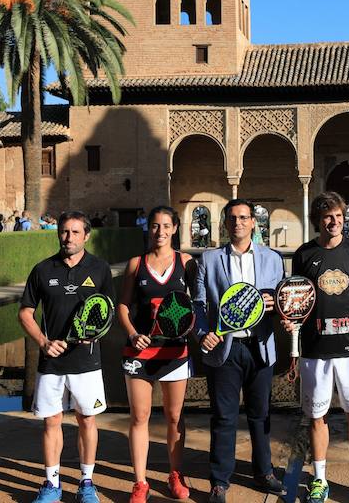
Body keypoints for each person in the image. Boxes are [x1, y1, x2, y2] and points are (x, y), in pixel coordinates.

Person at [287, 191, 349, 503]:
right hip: (315, 351)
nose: (335, 221)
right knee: (317, 418)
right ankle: (319, 479)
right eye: (329, 216)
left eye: (340, 216)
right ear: (318, 220)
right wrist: (293, 334)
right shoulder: (303, 255)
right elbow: (296, 301)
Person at [18, 211, 116, 503]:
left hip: (86, 362)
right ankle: (51, 484)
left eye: (75, 232)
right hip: (51, 362)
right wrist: (43, 342)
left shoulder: (99, 269)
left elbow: (109, 312)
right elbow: (25, 313)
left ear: (86, 235)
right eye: (64, 231)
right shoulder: (42, 270)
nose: (68, 237)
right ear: (58, 233)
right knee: (51, 422)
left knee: (87, 420)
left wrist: (96, 334)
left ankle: (87, 483)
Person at [195, 198, 285, 503]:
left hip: (259, 346)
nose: (238, 223)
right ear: (225, 223)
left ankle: (264, 471)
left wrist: (275, 306)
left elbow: (281, 300)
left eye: (244, 218)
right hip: (225, 349)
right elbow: (199, 304)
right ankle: (220, 480)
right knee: (224, 416)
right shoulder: (209, 259)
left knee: (261, 414)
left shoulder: (272, 259)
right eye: (232, 218)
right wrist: (203, 332)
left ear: (253, 223)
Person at [118, 206, 198, 502]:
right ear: (148, 228)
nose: (160, 231)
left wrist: (194, 329)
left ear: (175, 228)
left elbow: (197, 305)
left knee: (174, 417)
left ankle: (175, 474)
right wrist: (131, 333)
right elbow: (123, 306)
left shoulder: (186, 262)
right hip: (140, 351)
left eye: (166, 226)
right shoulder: (135, 264)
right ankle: (140, 482)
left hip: (175, 351)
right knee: (140, 416)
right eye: (155, 226)